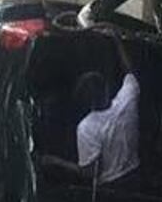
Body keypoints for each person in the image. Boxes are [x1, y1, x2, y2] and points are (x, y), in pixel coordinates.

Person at [38, 32, 140, 188]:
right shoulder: (128, 99)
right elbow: (130, 71)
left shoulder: (88, 128)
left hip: (110, 187)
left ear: (85, 104)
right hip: (135, 175)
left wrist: (53, 161)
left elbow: (89, 173)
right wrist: (117, 41)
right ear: (106, 89)